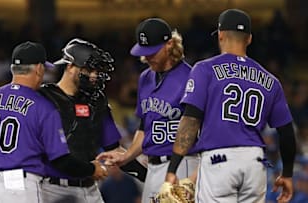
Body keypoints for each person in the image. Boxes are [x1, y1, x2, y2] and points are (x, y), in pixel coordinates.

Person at [164, 9, 296, 203]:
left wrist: (172, 168)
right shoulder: (271, 80)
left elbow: (191, 120)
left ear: (221, 35)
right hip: (255, 163)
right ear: (249, 39)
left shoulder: (205, 69)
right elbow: (286, 132)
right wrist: (287, 174)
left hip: (219, 161)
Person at [0, 41, 107, 203]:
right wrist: (91, 169)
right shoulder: (43, 105)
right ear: (38, 69)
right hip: (21, 187)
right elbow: (60, 160)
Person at [97, 17, 199, 203]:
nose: (147, 57)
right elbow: (145, 127)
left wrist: (192, 178)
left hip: (181, 165)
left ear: (169, 45)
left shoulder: (191, 77)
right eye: (144, 51)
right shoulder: (145, 78)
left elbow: (200, 127)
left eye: (152, 51)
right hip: (153, 166)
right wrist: (126, 156)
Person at [39, 38, 146, 203]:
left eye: (97, 71)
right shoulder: (45, 98)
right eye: (89, 69)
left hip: (90, 189)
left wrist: (148, 176)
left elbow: (114, 150)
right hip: (53, 189)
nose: (95, 75)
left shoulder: (96, 100)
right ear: (70, 66)